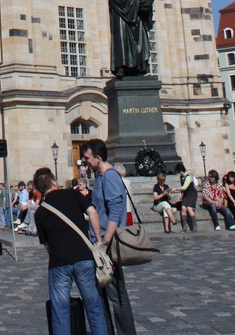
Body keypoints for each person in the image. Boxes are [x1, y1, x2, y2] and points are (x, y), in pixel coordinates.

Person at [35, 166, 109, 335]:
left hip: (59, 261)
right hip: (84, 256)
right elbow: (92, 211)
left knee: (60, 310)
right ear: (54, 181)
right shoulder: (72, 194)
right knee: (94, 307)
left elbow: (47, 245)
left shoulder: (40, 212)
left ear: (40, 189)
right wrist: (98, 240)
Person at [81, 139, 138, 335]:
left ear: (98, 157)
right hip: (101, 242)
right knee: (102, 291)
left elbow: (115, 212)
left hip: (108, 243)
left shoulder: (110, 176)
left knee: (116, 293)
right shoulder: (100, 176)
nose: (84, 161)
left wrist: (105, 242)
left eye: (87, 157)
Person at [107, 0, 155, 77]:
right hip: (122, 17)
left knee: (140, 42)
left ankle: (139, 67)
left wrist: (145, 3)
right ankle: (121, 67)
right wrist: (139, 2)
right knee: (122, 41)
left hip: (137, 18)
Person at [174, 162, 197, 232]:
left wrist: (175, 189)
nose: (178, 173)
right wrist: (181, 194)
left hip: (192, 194)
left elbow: (184, 187)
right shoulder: (182, 177)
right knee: (183, 208)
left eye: (178, 172)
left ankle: (194, 226)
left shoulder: (188, 177)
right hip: (186, 194)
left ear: (181, 171)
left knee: (189, 208)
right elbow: (182, 188)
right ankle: (184, 227)